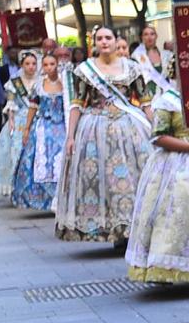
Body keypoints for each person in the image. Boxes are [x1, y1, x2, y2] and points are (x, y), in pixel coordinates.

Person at [55, 26, 159, 243]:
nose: (104, 42)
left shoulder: (131, 68)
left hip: (129, 127)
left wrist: (156, 128)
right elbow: (77, 104)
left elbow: (145, 100)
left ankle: (132, 228)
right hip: (94, 129)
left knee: (132, 178)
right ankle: (108, 228)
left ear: (116, 40)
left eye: (108, 38)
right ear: (94, 42)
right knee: (103, 180)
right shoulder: (85, 70)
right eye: (99, 38)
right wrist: (71, 135)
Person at [124, 88, 189, 285]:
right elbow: (158, 137)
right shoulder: (168, 100)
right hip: (178, 165)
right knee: (181, 207)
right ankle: (174, 265)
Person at [11, 51, 67, 212]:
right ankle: (43, 201)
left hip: (63, 126)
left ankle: (63, 199)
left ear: (58, 65)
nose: (49, 68)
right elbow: (33, 107)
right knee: (40, 161)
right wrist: (27, 129)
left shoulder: (66, 84)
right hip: (43, 127)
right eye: (46, 64)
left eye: (52, 64)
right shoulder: (39, 85)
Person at [0, 52, 38, 199]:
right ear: (22, 65)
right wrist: (11, 120)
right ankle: (14, 186)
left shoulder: (41, 81)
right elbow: (11, 104)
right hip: (19, 119)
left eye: (34, 64)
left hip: (37, 119)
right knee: (15, 153)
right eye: (27, 64)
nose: (31, 67)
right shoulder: (14, 82)